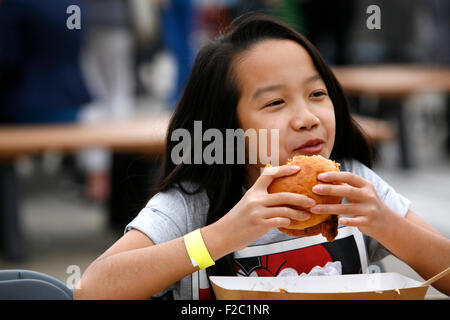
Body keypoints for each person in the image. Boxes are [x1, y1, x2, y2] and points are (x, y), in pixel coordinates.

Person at [75, 14, 450, 299]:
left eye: (317, 94)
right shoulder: (192, 203)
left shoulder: (354, 186)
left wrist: (387, 225)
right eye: (275, 102)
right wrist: (221, 236)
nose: (307, 118)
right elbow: (90, 290)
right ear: (227, 127)